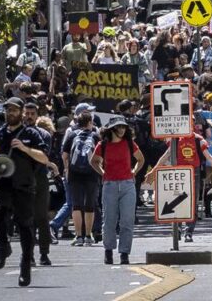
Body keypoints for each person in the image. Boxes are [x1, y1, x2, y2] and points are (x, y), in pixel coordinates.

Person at [0, 97, 49, 287]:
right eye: (8, 110)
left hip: (24, 185)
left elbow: (43, 157)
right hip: (4, 183)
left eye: (14, 110)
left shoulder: (31, 133)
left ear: (22, 112)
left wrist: (24, 148)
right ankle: (3, 247)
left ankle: (25, 267)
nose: (11, 113)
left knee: (24, 226)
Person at [90, 116, 144, 265]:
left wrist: (134, 172)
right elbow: (93, 161)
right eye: (118, 127)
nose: (121, 130)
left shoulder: (129, 143)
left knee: (127, 220)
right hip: (109, 185)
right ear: (111, 129)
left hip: (127, 184)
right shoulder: (103, 145)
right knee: (109, 220)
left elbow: (141, 159)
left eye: (124, 127)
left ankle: (124, 253)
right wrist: (102, 173)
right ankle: (108, 251)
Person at [23, 102, 58, 266]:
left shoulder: (44, 135)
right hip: (22, 180)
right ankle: (28, 254)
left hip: (39, 178)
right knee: (26, 218)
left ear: (37, 116)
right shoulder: (16, 132)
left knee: (42, 217)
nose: (29, 116)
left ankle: (44, 253)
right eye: (27, 113)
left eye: (32, 113)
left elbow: (43, 156)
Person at [62, 109, 101, 246]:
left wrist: (67, 169)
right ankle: (88, 236)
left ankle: (78, 236)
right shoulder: (95, 136)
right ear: (90, 122)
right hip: (92, 173)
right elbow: (100, 156)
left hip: (74, 173)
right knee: (90, 205)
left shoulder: (72, 135)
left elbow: (65, 155)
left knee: (76, 205)